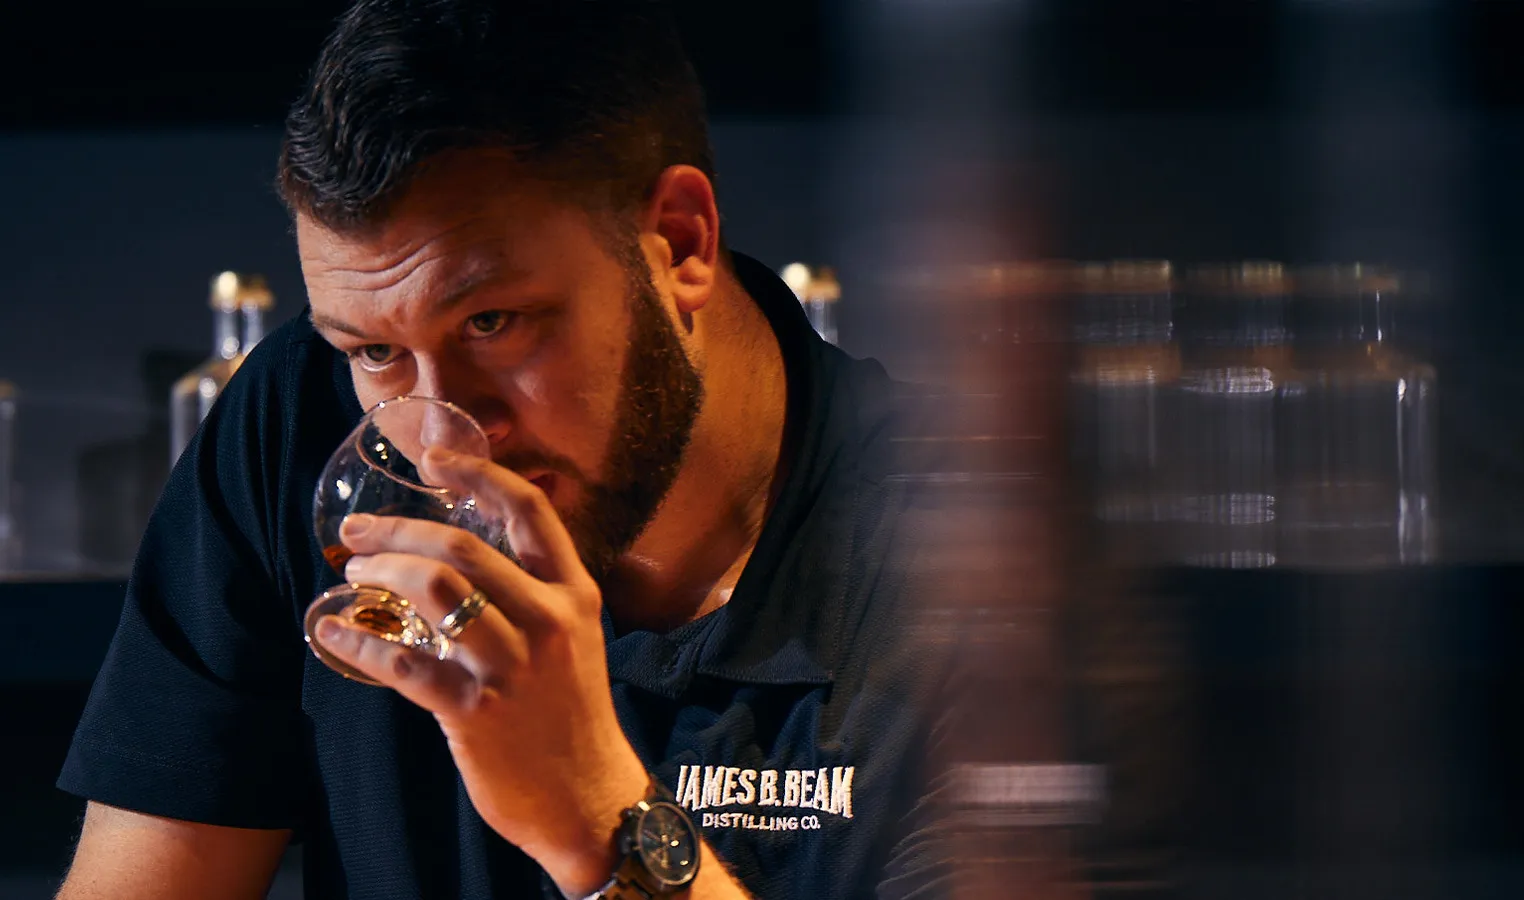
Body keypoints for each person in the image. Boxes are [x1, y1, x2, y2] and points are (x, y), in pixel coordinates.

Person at [53, 2, 951, 898]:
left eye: (493, 322)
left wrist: (596, 816)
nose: (443, 430)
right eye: (376, 353)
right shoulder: (299, 416)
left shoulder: (979, 556)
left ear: (679, 241)